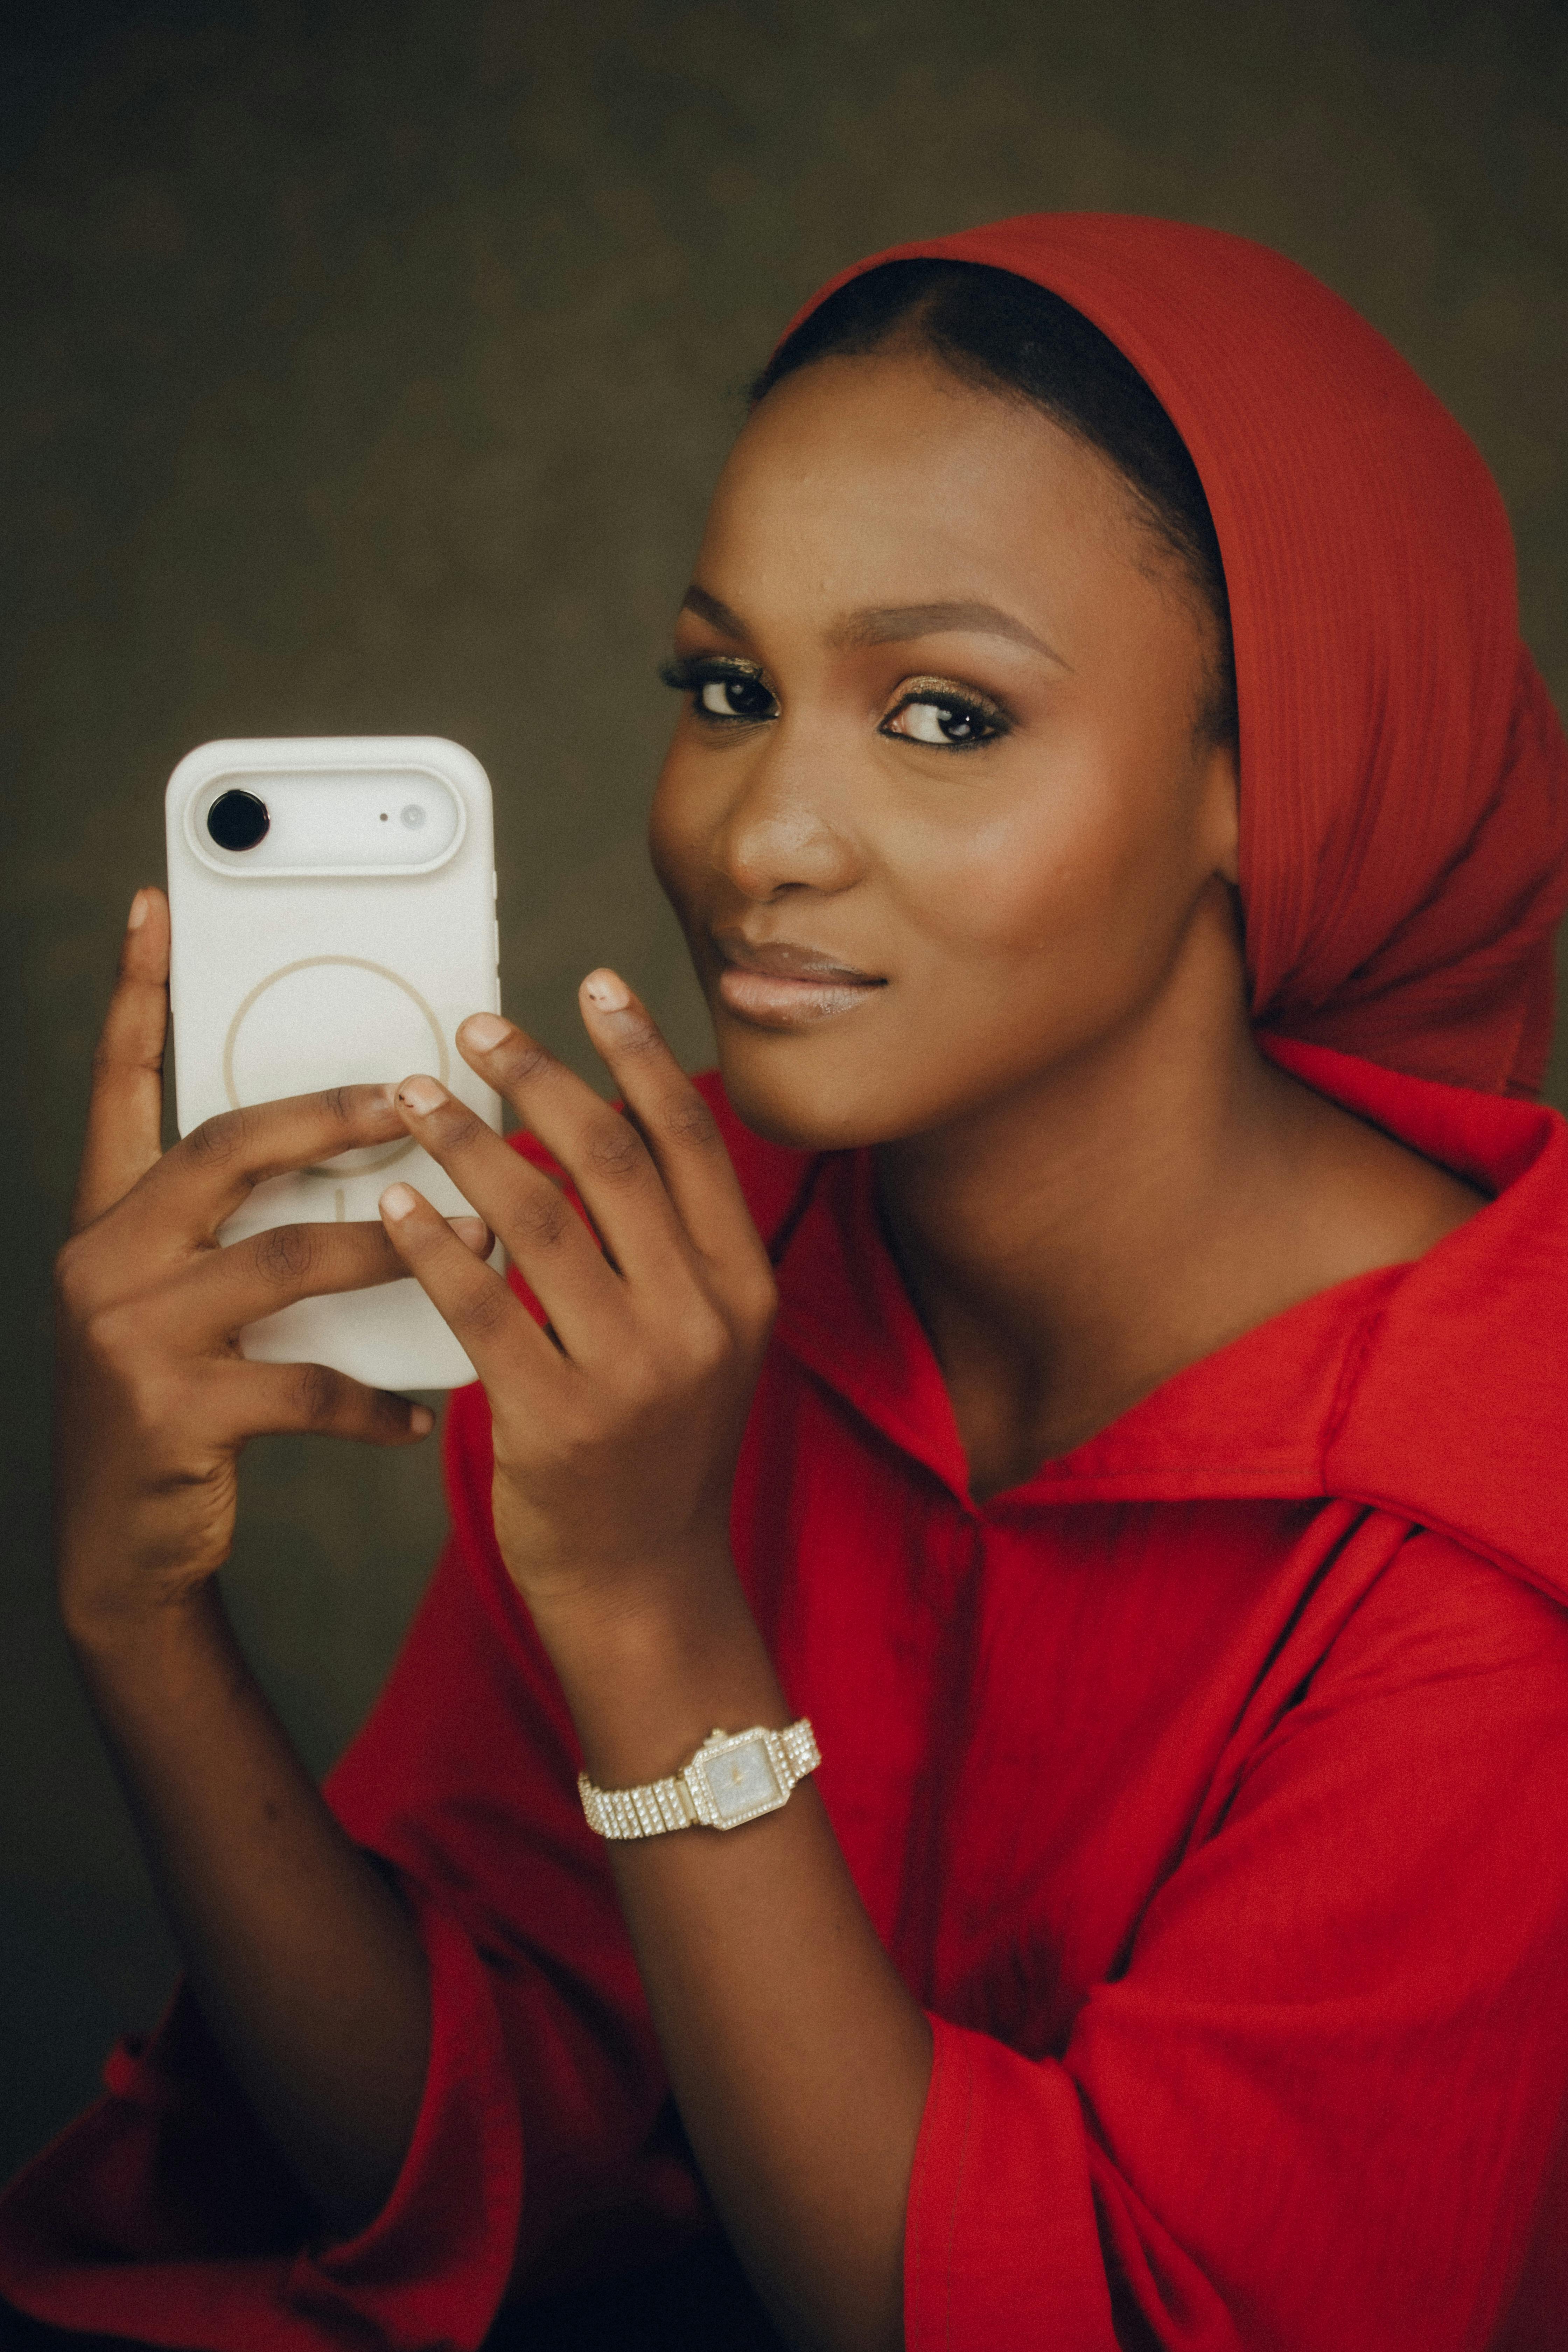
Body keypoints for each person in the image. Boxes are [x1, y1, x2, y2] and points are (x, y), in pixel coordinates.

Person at [4, 212, 1568, 2352]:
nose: (761, 834)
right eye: (728, 691)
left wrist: (656, 1616)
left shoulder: (1494, 1546)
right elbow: (490, 2169)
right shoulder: (679, 1276)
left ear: (1265, 782)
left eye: (941, 713)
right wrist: (139, 1620)